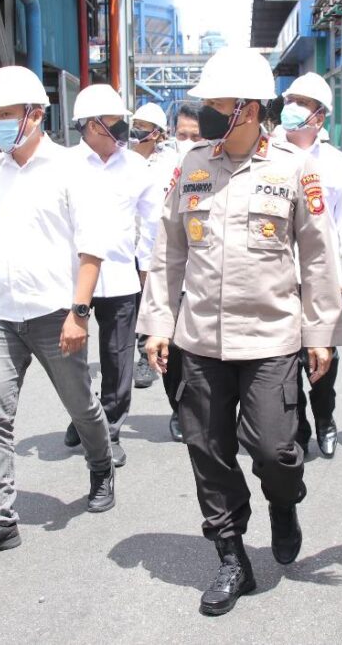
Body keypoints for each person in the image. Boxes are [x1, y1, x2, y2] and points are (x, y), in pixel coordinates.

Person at [138, 47, 342, 616]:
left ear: (250, 109)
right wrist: (157, 323)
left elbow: (320, 257)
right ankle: (231, 556)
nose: (205, 113)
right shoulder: (191, 167)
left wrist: (319, 332)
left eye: (217, 104)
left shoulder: (294, 168)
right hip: (199, 337)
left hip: (272, 337)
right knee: (208, 450)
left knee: (278, 450)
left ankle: (284, 502)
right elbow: (167, 251)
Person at [0, 66, 115, 565]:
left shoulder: (70, 169)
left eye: (8, 114)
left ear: (37, 113)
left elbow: (91, 249)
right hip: (3, 315)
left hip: (54, 314)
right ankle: (1, 520)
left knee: (80, 405)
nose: (0, 123)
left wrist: (79, 313)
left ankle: (101, 463)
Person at [61, 84, 163, 468]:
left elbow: (152, 224)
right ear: (90, 125)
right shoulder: (63, 165)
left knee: (118, 360)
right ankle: (84, 417)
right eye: (115, 122)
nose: (123, 130)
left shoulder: (137, 167)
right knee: (70, 359)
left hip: (120, 278)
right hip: (73, 281)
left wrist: (148, 271)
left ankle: (111, 428)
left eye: (124, 121)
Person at [280, 72, 342, 458]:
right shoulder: (268, 156)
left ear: (319, 116)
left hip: (323, 278)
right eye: (289, 100)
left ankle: (326, 418)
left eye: (302, 103)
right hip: (279, 277)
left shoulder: (334, 163)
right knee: (283, 359)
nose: (291, 108)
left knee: (323, 358)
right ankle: (297, 427)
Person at [160, 101, 205, 441]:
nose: (187, 142)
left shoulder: (211, 168)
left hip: (205, 276)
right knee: (171, 351)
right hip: (171, 273)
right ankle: (179, 410)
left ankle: (210, 411)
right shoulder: (160, 167)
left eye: (195, 135)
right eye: (182, 135)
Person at [131, 101, 178, 389]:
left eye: (143, 128)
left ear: (158, 134)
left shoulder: (171, 164)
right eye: (134, 125)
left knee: (165, 307)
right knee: (139, 310)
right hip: (129, 252)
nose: (135, 132)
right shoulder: (122, 161)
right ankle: (142, 356)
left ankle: (171, 363)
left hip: (163, 248)